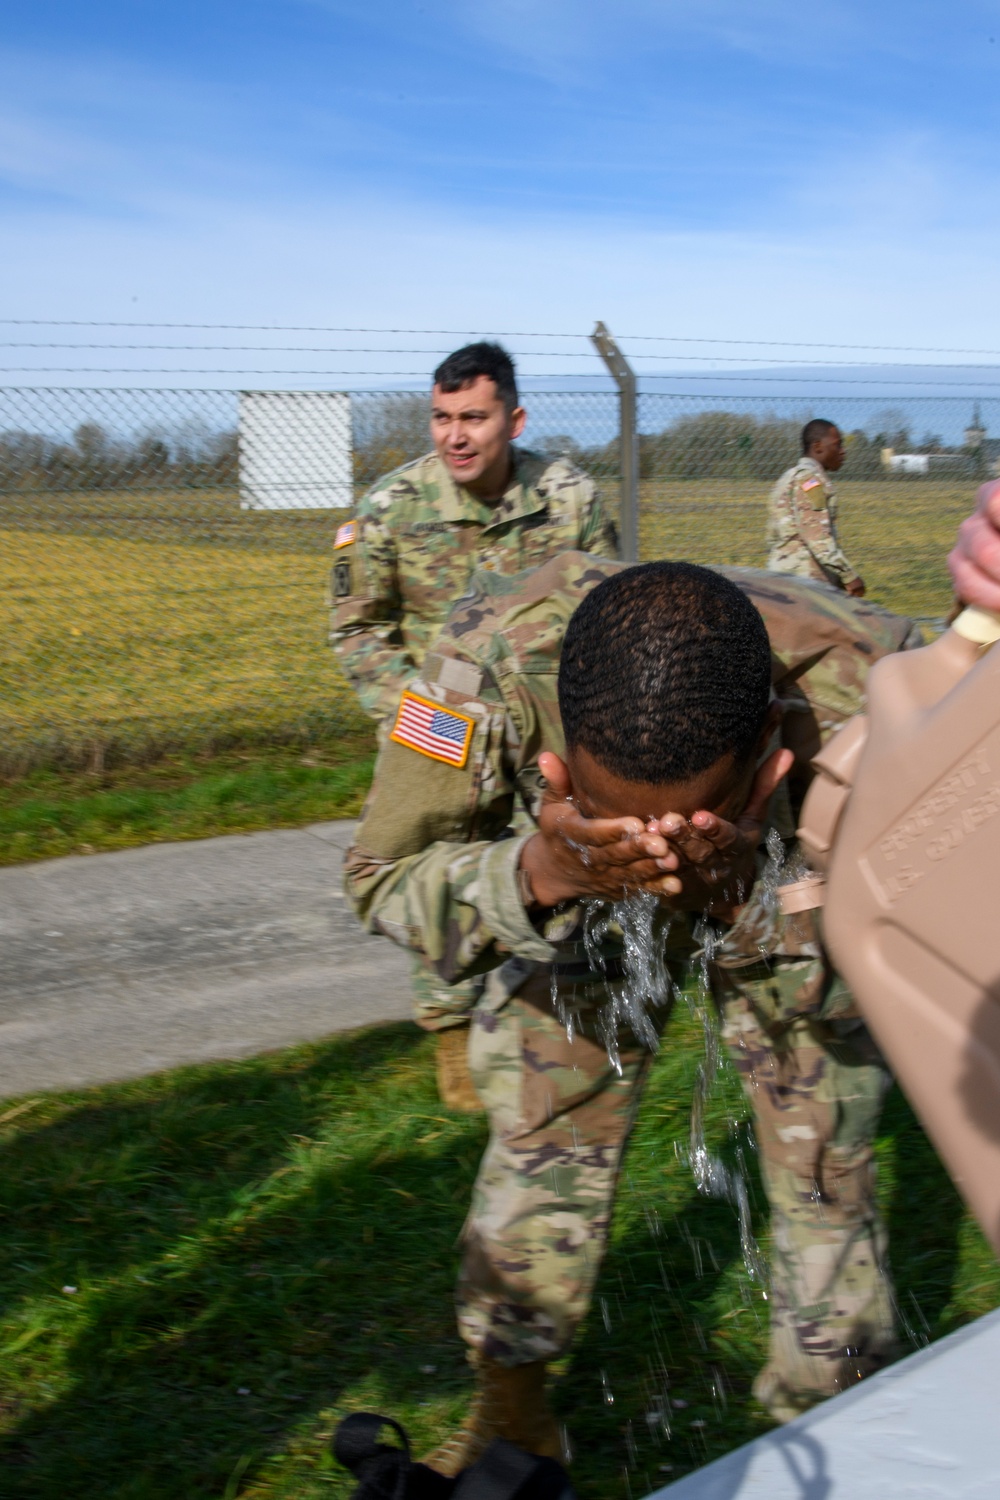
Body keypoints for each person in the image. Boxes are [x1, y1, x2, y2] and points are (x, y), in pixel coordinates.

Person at [345, 553, 922, 1473]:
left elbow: (925, 951)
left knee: (827, 1155)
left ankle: (838, 1429)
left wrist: (753, 902)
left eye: (684, 822)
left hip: (791, 890)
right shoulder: (478, 672)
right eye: (614, 815)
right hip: (577, 896)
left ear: (773, 747)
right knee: (544, 1133)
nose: (652, 855)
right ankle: (511, 1417)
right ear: (558, 744)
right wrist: (548, 870)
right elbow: (381, 881)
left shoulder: (885, 690)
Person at [330, 342, 617, 1103]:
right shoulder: (392, 509)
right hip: (441, 723)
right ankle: (451, 1041)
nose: (455, 435)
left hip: (547, 719)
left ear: (513, 420)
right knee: (441, 872)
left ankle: (555, 1035)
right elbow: (358, 630)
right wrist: (421, 719)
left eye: (474, 418)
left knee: (564, 867)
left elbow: (608, 610)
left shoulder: (569, 499)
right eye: (441, 417)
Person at [767, 419, 865, 596]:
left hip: (783, 577)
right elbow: (817, 536)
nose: (843, 451)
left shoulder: (787, 477)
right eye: (837, 445)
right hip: (806, 583)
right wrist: (849, 576)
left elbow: (772, 535)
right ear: (818, 446)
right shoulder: (810, 480)